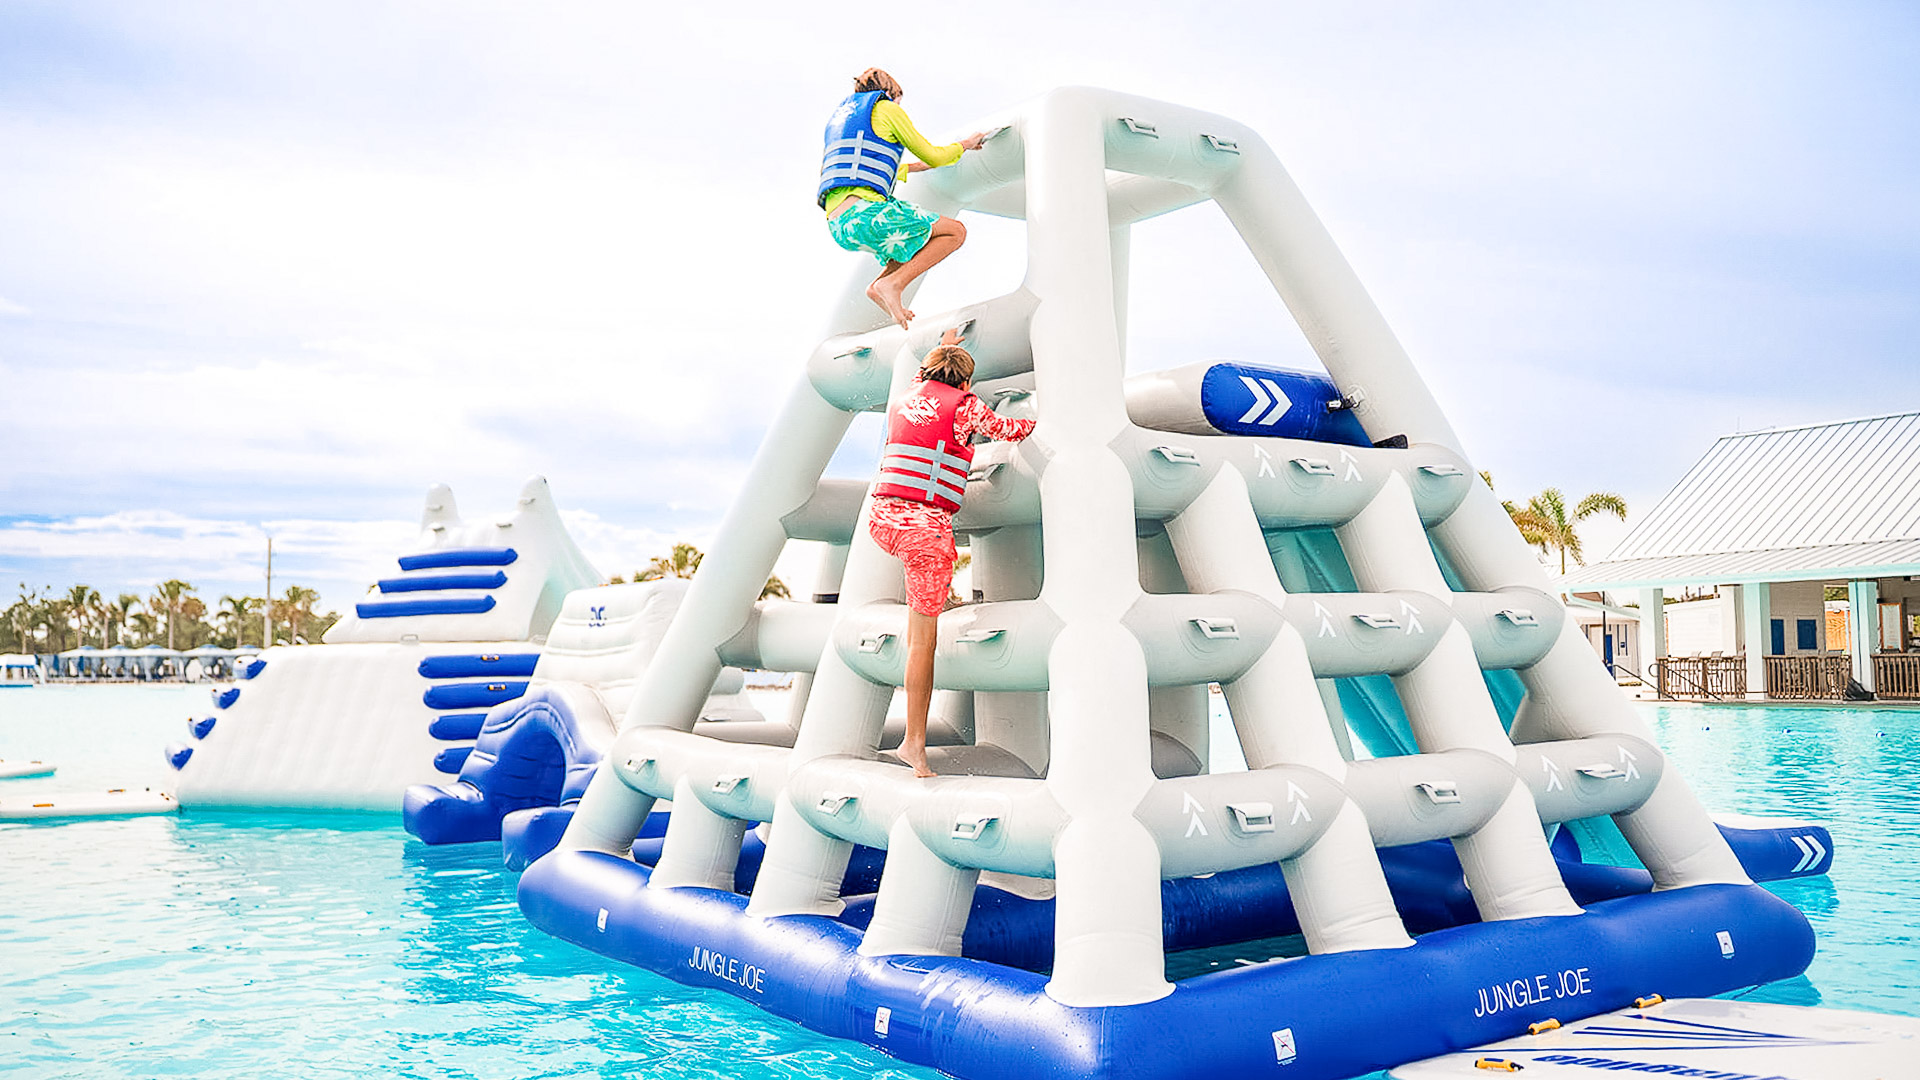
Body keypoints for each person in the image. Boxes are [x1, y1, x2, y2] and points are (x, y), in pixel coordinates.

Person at [868, 329, 1036, 777]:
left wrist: (944, 343)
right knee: (923, 644)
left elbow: (928, 375)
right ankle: (914, 746)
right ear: (965, 383)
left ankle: (934, 600)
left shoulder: (904, 397)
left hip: (883, 521)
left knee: (925, 604)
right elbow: (1009, 429)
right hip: (925, 533)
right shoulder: (964, 405)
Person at [819, 67, 986, 329]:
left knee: (912, 239)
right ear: (890, 93)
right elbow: (933, 154)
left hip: (841, 226)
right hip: (865, 216)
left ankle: (880, 285)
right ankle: (892, 283)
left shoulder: (844, 122)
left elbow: (892, 169)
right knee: (954, 232)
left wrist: (917, 167)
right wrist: (965, 145)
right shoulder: (887, 109)